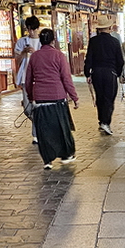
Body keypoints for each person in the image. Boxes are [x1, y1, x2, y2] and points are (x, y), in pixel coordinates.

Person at [25, 29, 79, 169]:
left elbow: (28, 79)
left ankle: (47, 160)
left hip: (40, 99)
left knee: (44, 131)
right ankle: (66, 154)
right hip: (57, 97)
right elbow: (66, 78)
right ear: (53, 41)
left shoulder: (34, 57)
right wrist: (74, 97)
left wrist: (30, 96)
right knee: (61, 128)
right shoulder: (59, 56)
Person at [84, 22, 125, 135]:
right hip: (110, 72)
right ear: (109, 28)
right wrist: (117, 73)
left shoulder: (93, 41)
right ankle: (106, 122)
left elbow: (89, 58)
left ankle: (101, 120)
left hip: (96, 72)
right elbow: (120, 60)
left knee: (100, 96)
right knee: (109, 97)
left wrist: (87, 73)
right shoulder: (114, 42)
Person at [14, 16, 41, 143]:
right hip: (25, 78)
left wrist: (35, 52)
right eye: (29, 29)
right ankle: (40, 125)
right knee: (27, 108)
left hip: (39, 78)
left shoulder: (42, 41)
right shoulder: (22, 41)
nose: (31, 32)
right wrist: (23, 53)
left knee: (37, 106)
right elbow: (17, 61)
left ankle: (36, 134)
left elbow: (45, 59)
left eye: (33, 29)